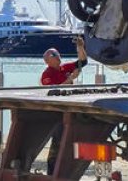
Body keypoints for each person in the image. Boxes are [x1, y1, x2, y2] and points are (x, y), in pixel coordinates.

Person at [39, 37, 89, 173]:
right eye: (54, 55)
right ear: (47, 60)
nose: (58, 56)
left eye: (57, 53)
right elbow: (52, 91)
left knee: (69, 140)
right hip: (57, 112)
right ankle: (52, 171)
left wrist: (80, 47)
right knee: (57, 142)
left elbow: (83, 62)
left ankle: (66, 169)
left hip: (70, 108)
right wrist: (70, 79)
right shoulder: (47, 74)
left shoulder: (65, 67)